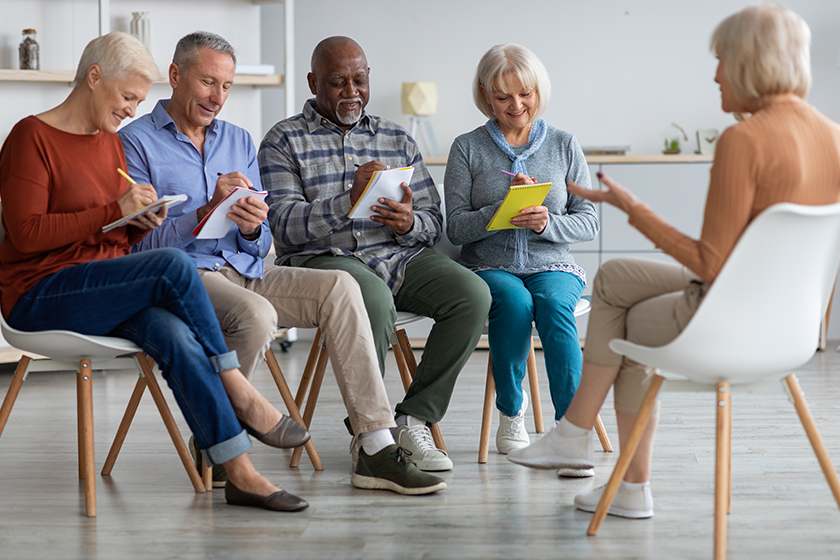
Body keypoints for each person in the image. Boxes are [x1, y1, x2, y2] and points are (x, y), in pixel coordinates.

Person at [508, 4, 840, 520]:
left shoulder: (744, 140)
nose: (715, 74)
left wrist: (633, 209)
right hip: (792, 324)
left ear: (752, 61)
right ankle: (594, 454)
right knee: (615, 277)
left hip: (730, 319)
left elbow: (710, 264)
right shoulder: (835, 136)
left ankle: (594, 452)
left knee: (621, 323)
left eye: (722, 59)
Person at [0, 31, 315, 512]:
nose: (131, 111)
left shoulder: (107, 145)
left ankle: (239, 472)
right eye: (127, 97)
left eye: (138, 101)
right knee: (171, 263)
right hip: (38, 294)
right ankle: (238, 389)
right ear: (94, 76)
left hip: (101, 285)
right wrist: (111, 214)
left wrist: (134, 223)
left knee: (174, 334)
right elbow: (25, 234)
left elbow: (112, 236)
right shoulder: (31, 136)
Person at [119, 31, 445, 496]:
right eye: (208, 82)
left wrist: (252, 229)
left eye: (227, 86)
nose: (218, 97)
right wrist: (203, 212)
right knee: (256, 315)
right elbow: (137, 244)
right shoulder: (135, 143)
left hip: (246, 270)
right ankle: (221, 438)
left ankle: (374, 444)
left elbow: (263, 239)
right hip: (182, 277)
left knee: (340, 288)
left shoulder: (237, 140)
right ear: (175, 76)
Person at [259, 36, 492, 471]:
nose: (352, 92)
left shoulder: (396, 138)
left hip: (398, 254)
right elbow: (282, 227)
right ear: (312, 83)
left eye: (360, 80)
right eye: (337, 82)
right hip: (325, 258)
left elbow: (431, 219)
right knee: (372, 298)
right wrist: (347, 202)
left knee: (473, 295)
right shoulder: (284, 140)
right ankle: (373, 434)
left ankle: (413, 418)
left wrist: (409, 223)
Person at [444, 44, 599, 474]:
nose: (516, 106)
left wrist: (546, 222)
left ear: (538, 90)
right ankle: (512, 411)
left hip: (553, 263)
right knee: (513, 304)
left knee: (551, 305)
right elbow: (455, 227)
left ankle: (572, 431)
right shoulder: (466, 148)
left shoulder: (566, 145)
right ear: (485, 95)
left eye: (525, 94)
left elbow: (588, 223)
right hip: (489, 265)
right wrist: (499, 215)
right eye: (503, 97)